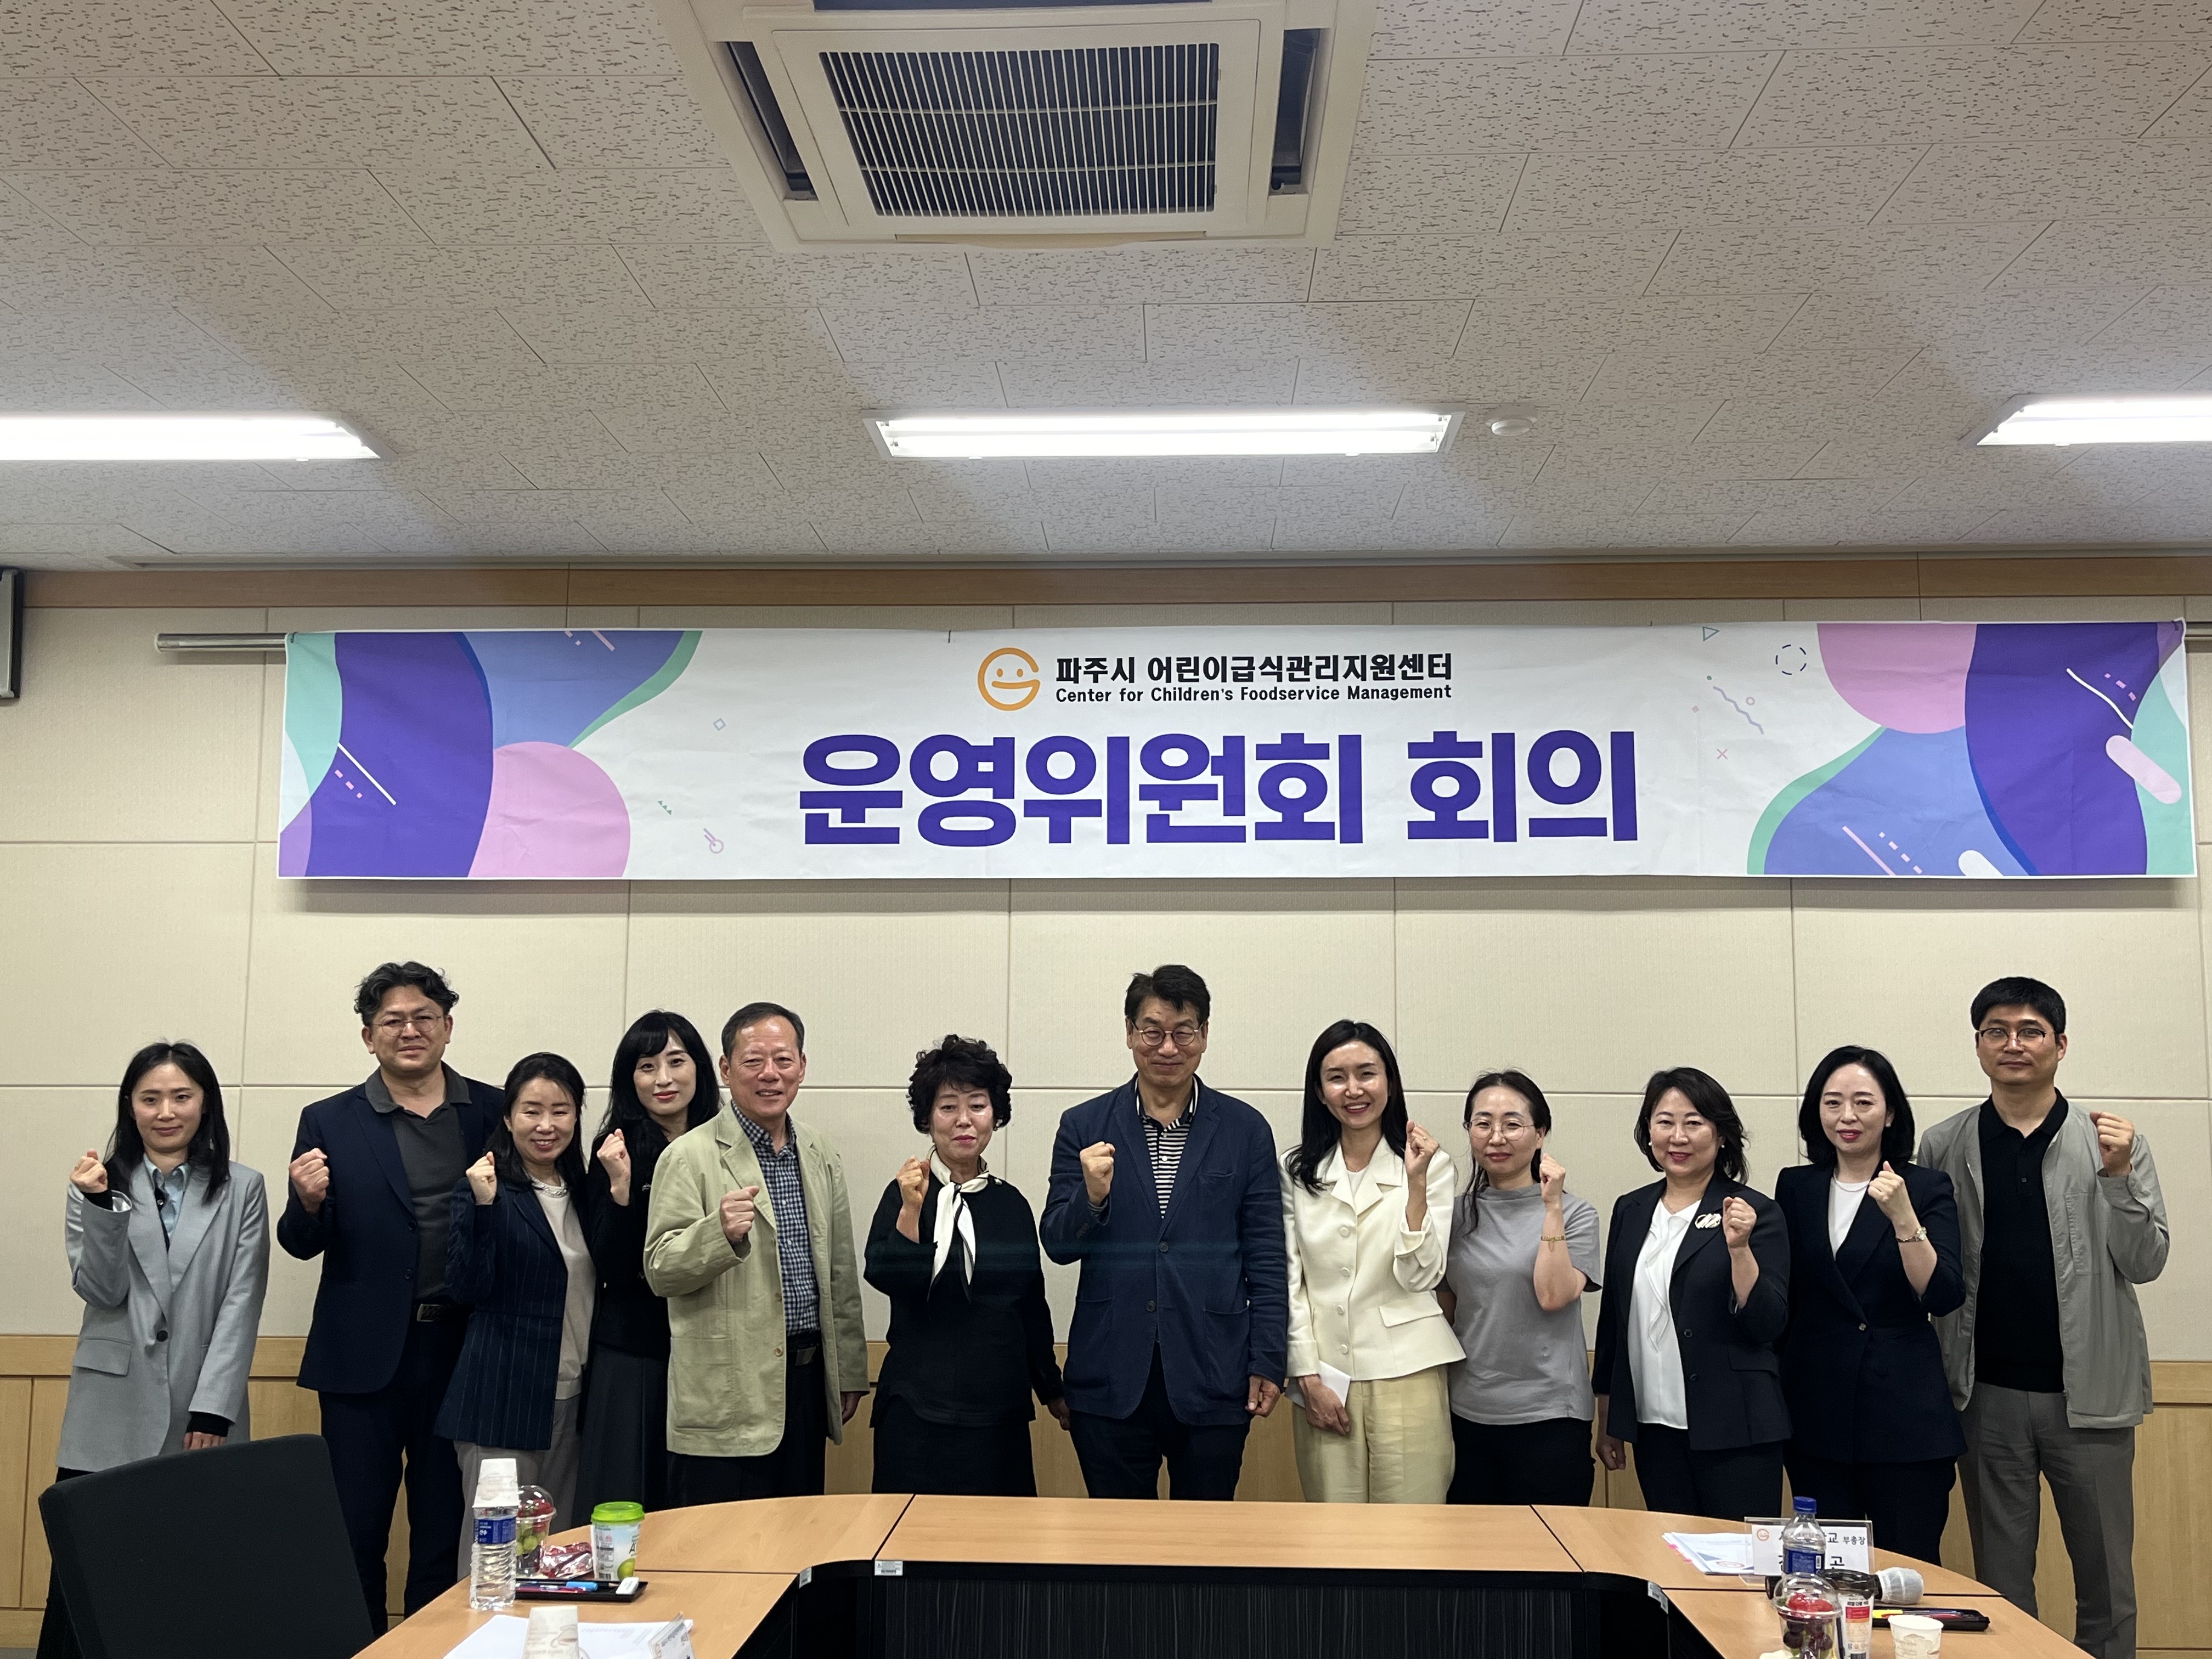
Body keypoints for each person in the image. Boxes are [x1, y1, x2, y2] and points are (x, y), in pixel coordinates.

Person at [1918, 978, 2169, 1659]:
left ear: (2060, 1045)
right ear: (1978, 1046)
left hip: (2091, 1399)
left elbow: (2146, 1261)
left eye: (2030, 1031)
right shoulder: (1944, 1145)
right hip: (1984, 1396)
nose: (2013, 1044)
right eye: (1996, 1031)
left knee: (2107, 1582)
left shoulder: (2111, 1142)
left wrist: (2119, 1176)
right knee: (2001, 1586)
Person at [277, 962, 499, 1621]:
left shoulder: (492, 1110)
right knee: (355, 1529)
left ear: (448, 1027)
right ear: (368, 1036)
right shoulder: (328, 1120)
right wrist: (306, 1203)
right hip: (361, 1358)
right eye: (392, 1021)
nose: (410, 1031)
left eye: (424, 1017)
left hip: (461, 1352)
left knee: (444, 1530)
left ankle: (430, 1646)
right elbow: (300, 1242)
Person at [40, 1042, 270, 1659]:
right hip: (109, 1406)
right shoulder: (96, 1182)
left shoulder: (243, 1187)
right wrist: (99, 1206)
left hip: (202, 1409)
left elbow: (242, 1300)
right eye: (150, 1099)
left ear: (205, 1104)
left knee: (192, 1570)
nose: (166, 1112)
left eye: (181, 1096)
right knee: (91, 1572)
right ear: (130, 1106)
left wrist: (215, 1408)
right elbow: (100, 1290)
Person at [1039, 964, 1288, 1500]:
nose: (1168, 1047)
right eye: (1153, 1032)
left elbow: (1267, 1256)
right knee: (1118, 1543)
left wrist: (1268, 1358)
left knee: (1205, 1542)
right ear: (1130, 1033)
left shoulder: (1246, 1130)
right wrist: (1092, 1198)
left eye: (1184, 1031)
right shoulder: (1084, 1125)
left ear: (1205, 1035)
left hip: (1214, 1371)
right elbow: (1057, 1244)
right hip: (1109, 1377)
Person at [644, 1001, 867, 1502]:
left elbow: (840, 1272)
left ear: (802, 1067)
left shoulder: (820, 1154)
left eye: (783, 1060)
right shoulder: (688, 1156)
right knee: (723, 1540)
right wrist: (717, 1234)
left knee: (801, 1535)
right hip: (729, 1389)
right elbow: (660, 1270)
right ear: (725, 1069)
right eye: (753, 1061)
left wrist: (849, 1370)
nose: (770, 1074)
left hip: (808, 1381)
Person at [1776, 1046, 1963, 1565]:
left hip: (1904, 1415)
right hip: (1816, 1410)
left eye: (1863, 1102)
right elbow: (1789, 1296)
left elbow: (1943, 1294)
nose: (1848, 1117)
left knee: (1906, 1571)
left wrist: (1904, 1217)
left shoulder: (1924, 1186)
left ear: (1891, 1112)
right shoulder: (1796, 1186)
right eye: (1833, 1102)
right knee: (1824, 1573)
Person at [864, 1035, 1068, 1496]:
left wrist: (1053, 1390)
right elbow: (887, 1277)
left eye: (977, 1105)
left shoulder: (1011, 1204)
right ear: (927, 1118)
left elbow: (1030, 1306)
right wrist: (912, 1210)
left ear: (995, 1115)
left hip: (999, 1412)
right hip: (916, 1407)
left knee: (1001, 1538)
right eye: (948, 1107)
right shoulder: (904, 1192)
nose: (963, 1120)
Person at [1593, 1066, 1790, 1520]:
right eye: (1664, 1122)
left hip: (1735, 1426)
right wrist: (1609, 1417)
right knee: (1671, 1552)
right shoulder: (1631, 1209)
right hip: (1653, 1425)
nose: (1678, 1137)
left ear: (1721, 1135)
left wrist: (1740, 1250)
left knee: (1738, 1556)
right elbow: (1614, 1320)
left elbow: (1767, 1323)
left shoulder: (1755, 1211)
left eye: (1694, 1123)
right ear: (1649, 1133)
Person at [1278, 1020, 1459, 1504]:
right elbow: (1289, 1280)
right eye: (1337, 1077)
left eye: (1367, 1073)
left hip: (1409, 1371)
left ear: (1390, 1083)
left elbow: (1421, 1275)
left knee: (1411, 1530)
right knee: (1333, 1531)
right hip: (1325, 1376)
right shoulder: (1296, 1171)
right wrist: (1305, 1374)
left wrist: (1416, 1184)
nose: (1354, 1090)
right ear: (1320, 1092)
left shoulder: (1431, 1165)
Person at [437, 1052, 599, 1558]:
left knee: (556, 1553)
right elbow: (465, 1288)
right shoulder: (485, 1188)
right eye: (532, 1111)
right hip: (502, 1399)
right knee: (495, 1558)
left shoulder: (585, 1192)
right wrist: (484, 1208)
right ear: (508, 1118)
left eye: (561, 1111)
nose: (546, 1125)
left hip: (573, 1397)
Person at [575, 1011, 721, 1518]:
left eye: (676, 1062)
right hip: (636, 1348)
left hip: (710, 1345)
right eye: (647, 1066)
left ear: (700, 1068)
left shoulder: (725, 1143)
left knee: (696, 1500)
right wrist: (620, 1189)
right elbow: (611, 1267)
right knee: (626, 1491)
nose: (664, 1079)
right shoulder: (615, 1149)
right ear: (628, 1078)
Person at [1439, 1069, 1601, 1507]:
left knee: (1552, 1548)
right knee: (1475, 1549)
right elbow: (1449, 1313)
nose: (1497, 1137)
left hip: (1551, 1415)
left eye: (1512, 1124)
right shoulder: (1454, 1217)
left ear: (1540, 1133)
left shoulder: (1576, 1214)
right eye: (1483, 1123)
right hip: (1467, 1414)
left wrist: (1552, 1208)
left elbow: (1554, 1295)